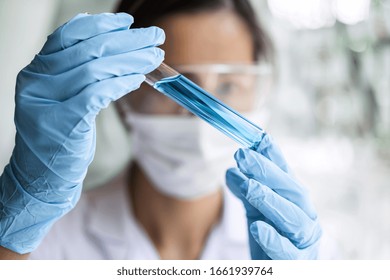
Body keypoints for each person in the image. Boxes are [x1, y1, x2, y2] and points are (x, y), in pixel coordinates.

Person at [0, 0, 322, 260]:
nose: (200, 117)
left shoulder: (295, 245)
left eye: (228, 85)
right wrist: (23, 213)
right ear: (123, 96)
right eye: (179, 88)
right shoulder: (39, 244)